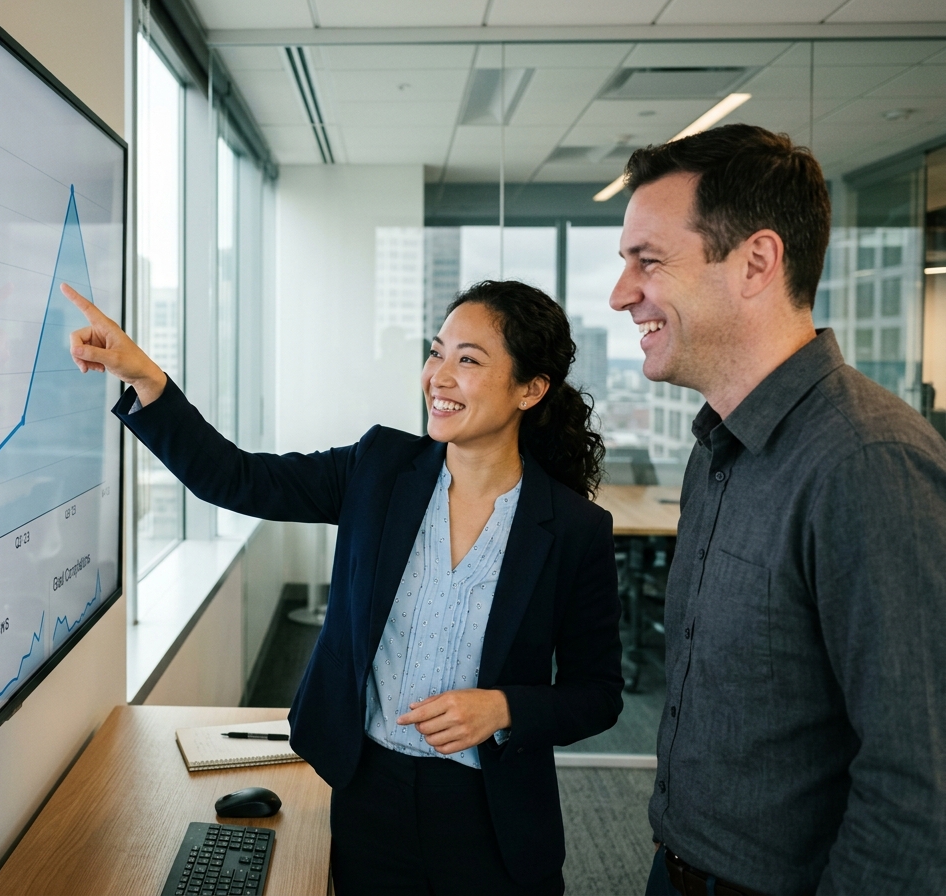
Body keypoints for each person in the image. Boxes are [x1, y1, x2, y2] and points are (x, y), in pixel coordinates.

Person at [62, 278, 623, 894]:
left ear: (530, 389)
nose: (438, 376)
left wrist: (504, 708)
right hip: (369, 793)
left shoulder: (574, 529)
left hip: (492, 813)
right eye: (436, 352)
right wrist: (146, 379)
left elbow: (597, 693)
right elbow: (238, 479)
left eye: (468, 361)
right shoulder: (379, 468)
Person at [608, 123, 946, 895]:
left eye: (648, 261)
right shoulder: (717, 448)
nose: (621, 293)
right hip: (679, 867)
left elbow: (921, 786)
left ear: (756, 262)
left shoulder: (868, 463)